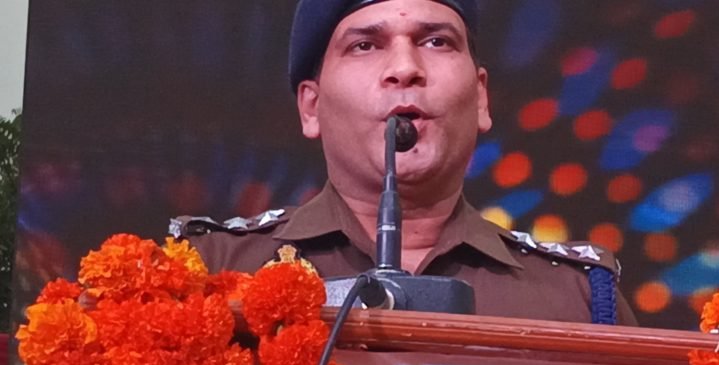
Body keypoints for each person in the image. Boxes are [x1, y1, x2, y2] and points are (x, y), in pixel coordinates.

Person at [174, 0, 638, 325]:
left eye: (436, 41)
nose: (405, 68)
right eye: (365, 45)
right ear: (311, 107)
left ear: (481, 97)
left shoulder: (577, 297)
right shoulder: (208, 270)